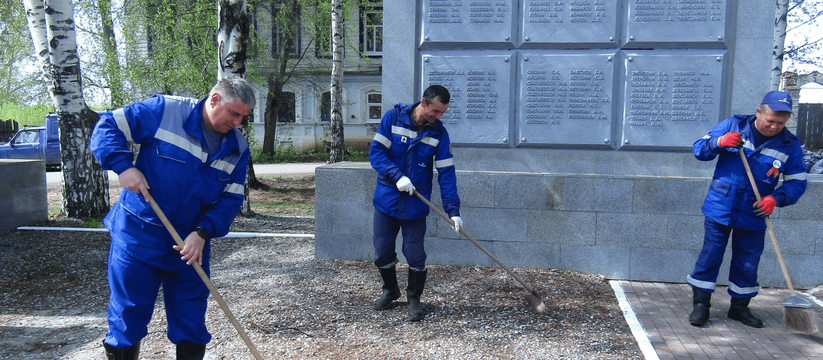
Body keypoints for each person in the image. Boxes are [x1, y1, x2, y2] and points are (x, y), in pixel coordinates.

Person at [90, 76, 255, 360]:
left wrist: (202, 233)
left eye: (243, 117)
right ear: (214, 100)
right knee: (128, 316)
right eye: (234, 114)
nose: (238, 123)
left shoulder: (237, 149)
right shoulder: (164, 111)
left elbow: (231, 200)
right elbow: (108, 125)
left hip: (189, 247)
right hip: (139, 236)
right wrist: (122, 167)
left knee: (191, 320)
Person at [686, 91, 807, 328]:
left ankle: (739, 309)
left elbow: (797, 182)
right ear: (758, 112)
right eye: (770, 120)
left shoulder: (789, 145)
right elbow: (699, 149)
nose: (774, 126)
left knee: (748, 262)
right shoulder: (733, 125)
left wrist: (776, 198)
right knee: (710, 256)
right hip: (721, 206)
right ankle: (701, 305)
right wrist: (719, 142)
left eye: (780, 123)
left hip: (755, 211)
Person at [368, 84, 463, 322]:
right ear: (423, 103)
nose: (438, 117)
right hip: (387, 199)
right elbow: (376, 154)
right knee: (382, 251)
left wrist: (453, 211)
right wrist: (397, 176)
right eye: (435, 111)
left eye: (442, 113)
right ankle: (390, 290)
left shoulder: (438, 134)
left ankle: (414, 299)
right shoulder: (393, 118)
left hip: (415, 205)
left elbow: (447, 174)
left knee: (414, 253)